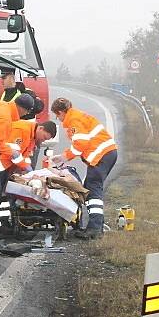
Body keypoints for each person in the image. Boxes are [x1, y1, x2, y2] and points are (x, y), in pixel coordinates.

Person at [50, 97, 117, 239]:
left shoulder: (74, 120)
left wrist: (64, 157)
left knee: (93, 190)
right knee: (90, 188)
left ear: (62, 112)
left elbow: (81, 144)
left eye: (57, 115)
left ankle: (95, 229)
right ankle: (96, 226)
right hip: (105, 154)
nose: (58, 118)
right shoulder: (78, 116)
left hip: (101, 155)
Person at [0, 120, 57, 233]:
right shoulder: (21, 130)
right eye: (44, 137)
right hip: (0, 165)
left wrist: (28, 171)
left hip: (6, 167)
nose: (43, 141)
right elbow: (13, 153)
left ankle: (2, 225)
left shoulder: (32, 137)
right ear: (40, 128)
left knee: (5, 195)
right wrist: (28, 170)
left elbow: (26, 156)